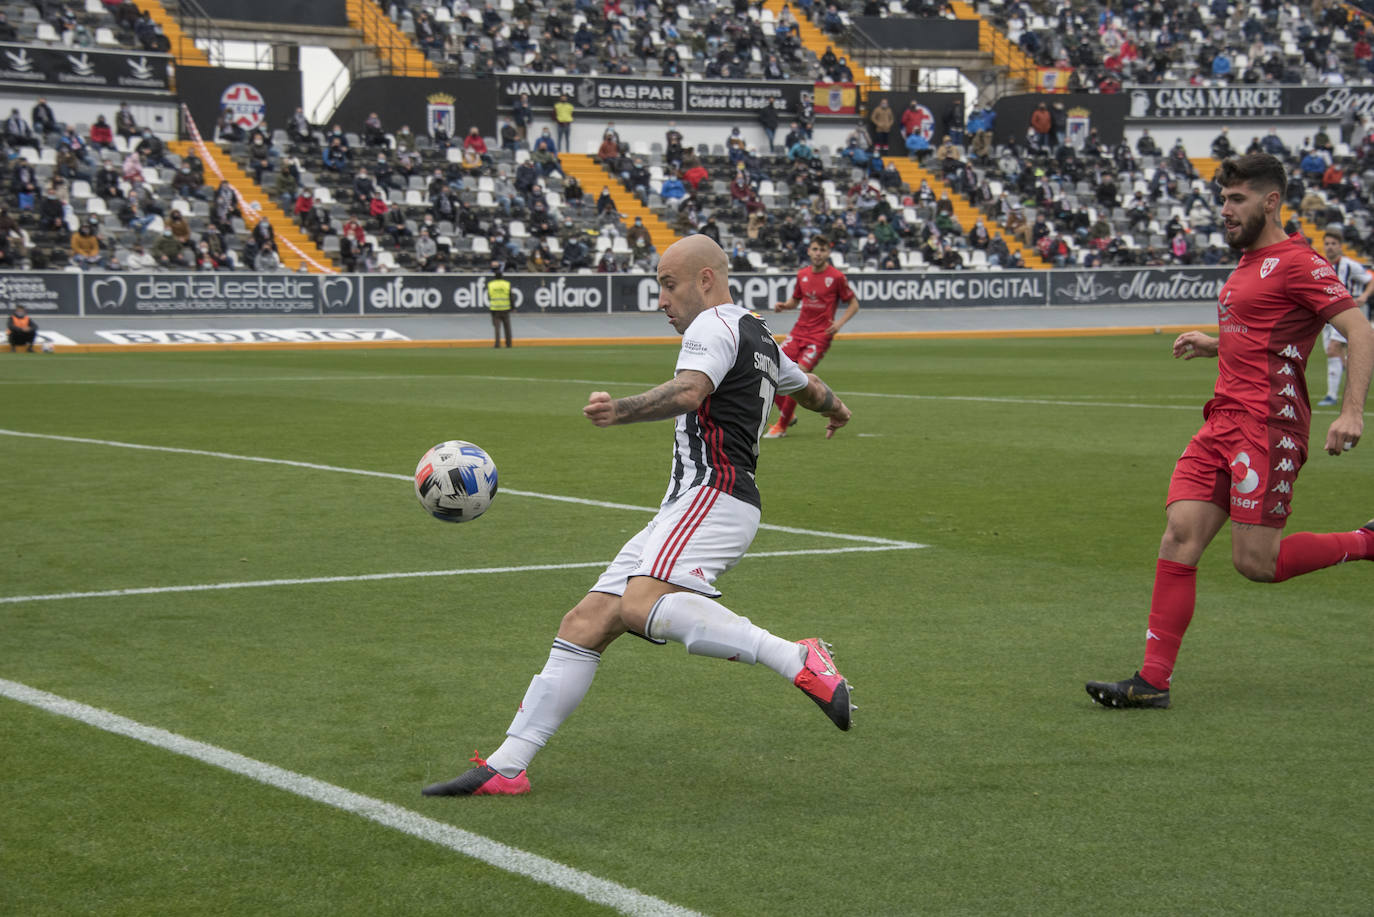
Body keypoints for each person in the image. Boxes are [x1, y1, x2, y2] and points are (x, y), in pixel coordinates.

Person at [420, 235, 854, 798]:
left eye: (667, 285)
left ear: (705, 279)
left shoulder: (712, 327)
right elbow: (812, 387)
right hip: (693, 502)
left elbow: (691, 391)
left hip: (713, 493)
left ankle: (796, 656)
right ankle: (507, 764)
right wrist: (839, 411)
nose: (660, 300)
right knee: (585, 623)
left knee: (640, 604)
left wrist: (617, 410)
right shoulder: (760, 337)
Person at [1085, 153, 1374, 710]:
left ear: (1270, 202)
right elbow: (1265, 328)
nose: (1225, 210)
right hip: (1221, 420)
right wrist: (1215, 342)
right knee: (1179, 536)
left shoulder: (1299, 261)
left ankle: (1367, 543)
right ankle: (1152, 682)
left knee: (1255, 563)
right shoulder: (1248, 261)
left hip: (1267, 426)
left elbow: (1358, 331)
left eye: (1236, 199)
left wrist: (1352, 411)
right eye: (1223, 199)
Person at [764, 237, 861, 438]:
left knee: (797, 374)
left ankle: (781, 426)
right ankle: (787, 415)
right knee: (770, 366)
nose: (818, 253)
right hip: (798, 332)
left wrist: (838, 324)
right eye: (815, 249)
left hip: (819, 336)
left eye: (822, 250)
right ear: (809, 251)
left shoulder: (836, 277)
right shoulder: (803, 275)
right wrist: (785, 306)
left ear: (828, 253)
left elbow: (854, 304)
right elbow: (795, 300)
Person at [1316, 228, 1374, 406]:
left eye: (1334, 244)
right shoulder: (1320, 265)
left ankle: (1331, 396)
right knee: (1335, 354)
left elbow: (1371, 279)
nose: (1330, 247)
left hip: (1345, 314)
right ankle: (1358, 377)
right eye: (1327, 244)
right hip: (1327, 317)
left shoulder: (1350, 265)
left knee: (1334, 349)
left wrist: (1364, 296)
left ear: (1340, 246)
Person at [486, 263, 513, 348]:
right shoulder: (507, 284)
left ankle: (497, 344)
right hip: (505, 308)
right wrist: (513, 307)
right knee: (507, 327)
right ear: (502, 276)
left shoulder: (491, 284)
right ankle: (508, 344)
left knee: (497, 328)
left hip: (495, 309)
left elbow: (489, 296)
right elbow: (511, 296)